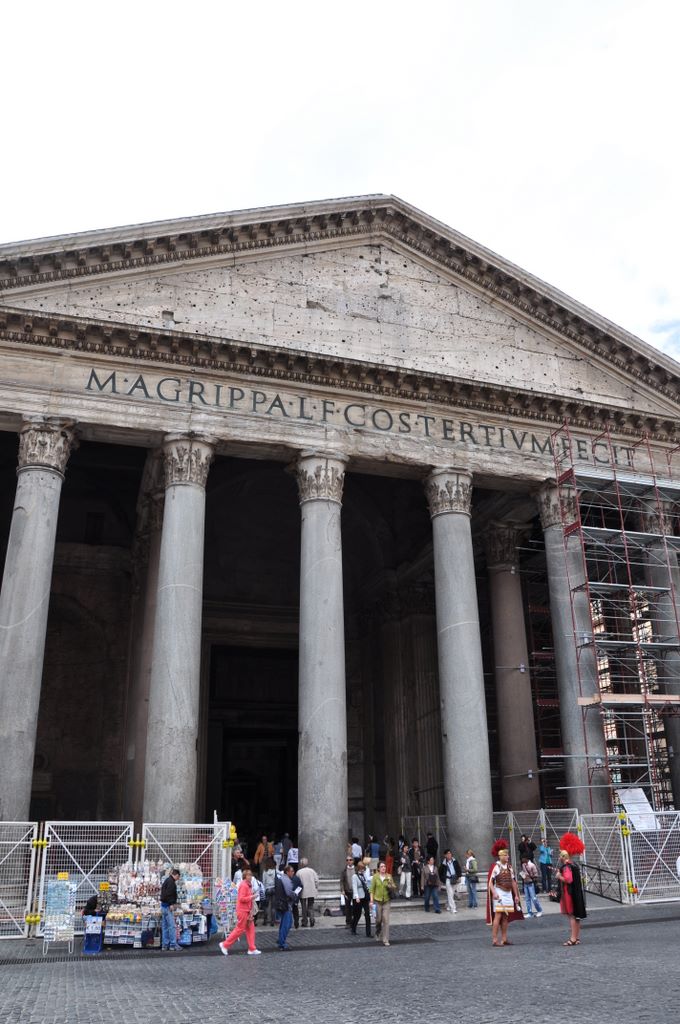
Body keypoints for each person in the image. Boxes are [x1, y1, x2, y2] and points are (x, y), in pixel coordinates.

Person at [487, 840, 523, 947]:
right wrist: (494, 893)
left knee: (506, 917)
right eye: (506, 855)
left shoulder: (509, 867)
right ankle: (494, 939)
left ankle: (504, 939)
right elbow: (490, 882)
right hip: (499, 893)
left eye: (508, 855)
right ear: (500, 856)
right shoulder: (496, 867)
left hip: (508, 894)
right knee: (497, 916)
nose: (508, 856)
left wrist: (516, 895)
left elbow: (513, 882)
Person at [219, 866, 260, 956]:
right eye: (248, 875)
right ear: (244, 876)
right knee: (240, 929)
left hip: (247, 911)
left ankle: (252, 948)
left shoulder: (248, 885)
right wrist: (251, 897)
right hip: (242, 910)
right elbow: (241, 899)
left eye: (250, 875)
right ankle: (225, 945)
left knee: (250, 929)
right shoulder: (244, 885)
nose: (250, 876)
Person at [556, 832, 587, 946]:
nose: (559, 857)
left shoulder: (567, 866)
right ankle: (576, 937)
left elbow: (568, 880)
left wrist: (559, 876)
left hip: (569, 894)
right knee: (576, 916)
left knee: (572, 916)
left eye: (560, 855)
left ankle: (573, 938)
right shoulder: (574, 865)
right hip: (575, 893)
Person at [369, 860, 396, 947]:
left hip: (386, 901)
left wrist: (390, 885)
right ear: (378, 868)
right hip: (377, 901)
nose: (383, 868)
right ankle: (378, 931)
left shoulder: (389, 876)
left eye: (384, 866)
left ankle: (385, 939)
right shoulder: (375, 877)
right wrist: (371, 901)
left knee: (386, 919)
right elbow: (371, 890)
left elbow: (394, 887)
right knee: (378, 919)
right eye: (381, 867)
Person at [274, 863, 298, 950]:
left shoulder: (282, 878)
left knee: (285, 923)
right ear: (287, 872)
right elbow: (289, 892)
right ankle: (282, 942)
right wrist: (294, 894)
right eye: (291, 871)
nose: (293, 873)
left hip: (282, 903)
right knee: (286, 924)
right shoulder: (286, 880)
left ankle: (281, 940)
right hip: (286, 904)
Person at [160, 868, 181, 951]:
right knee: (172, 926)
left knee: (165, 926)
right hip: (168, 907)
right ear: (176, 875)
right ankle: (173, 944)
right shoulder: (171, 882)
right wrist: (171, 904)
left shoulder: (166, 880)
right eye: (178, 877)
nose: (178, 879)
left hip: (163, 906)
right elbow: (169, 894)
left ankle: (165, 945)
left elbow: (164, 893)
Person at [351, 858, 372, 936]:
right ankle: (353, 927)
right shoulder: (354, 876)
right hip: (358, 898)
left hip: (365, 897)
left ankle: (368, 933)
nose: (363, 870)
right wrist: (356, 897)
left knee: (367, 914)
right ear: (359, 868)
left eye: (364, 868)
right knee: (357, 914)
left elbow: (368, 884)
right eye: (362, 868)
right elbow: (354, 887)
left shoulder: (364, 876)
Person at [297, 857, 319, 927]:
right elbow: (317, 881)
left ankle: (305, 921)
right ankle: (312, 919)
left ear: (301, 864)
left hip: (303, 891)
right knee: (310, 906)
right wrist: (315, 888)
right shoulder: (312, 871)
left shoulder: (299, 872)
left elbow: (297, 882)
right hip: (311, 891)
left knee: (303, 907)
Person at [439, 849, 461, 914]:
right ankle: (453, 908)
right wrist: (442, 880)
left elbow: (458, 869)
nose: (449, 855)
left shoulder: (455, 861)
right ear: (445, 855)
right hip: (448, 879)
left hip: (455, 879)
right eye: (448, 854)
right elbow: (440, 872)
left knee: (451, 894)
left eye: (450, 853)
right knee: (450, 893)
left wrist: (459, 877)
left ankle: (448, 905)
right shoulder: (443, 863)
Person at [340, 854, 355, 927]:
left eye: (350, 860)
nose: (349, 861)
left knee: (355, 907)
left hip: (355, 892)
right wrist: (342, 890)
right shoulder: (344, 870)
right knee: (347, 907)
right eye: (347, 860)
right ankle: (348, 922)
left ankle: (354, 921)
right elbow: (341, 881)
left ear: (353, 861)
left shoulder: (356, 869)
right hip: (347, 891)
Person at [261, 857, 277, 925]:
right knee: (273, 907)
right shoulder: (275, 871)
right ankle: (273, 921)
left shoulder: (265, 871)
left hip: (267, 889)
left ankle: (265, 920)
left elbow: (263, 881)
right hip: (274, 888)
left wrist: (264, 889)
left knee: (266, 906)